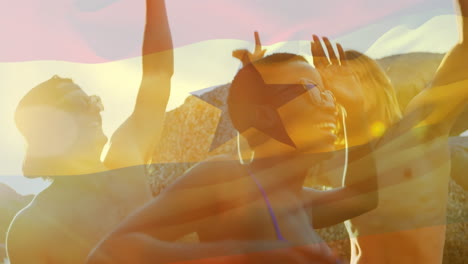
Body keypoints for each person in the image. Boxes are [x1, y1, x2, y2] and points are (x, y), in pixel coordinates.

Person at [86, 33, 381, 264]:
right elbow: (111, 253)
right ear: (265, 114)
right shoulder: (226, 179)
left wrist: (355, 110)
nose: (332, 106)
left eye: (330, 94)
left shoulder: (298, 202)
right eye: (313, 91)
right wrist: (245, 254)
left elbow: (361, 198)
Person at [6, 0, 173, 263]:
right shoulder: (31, 226)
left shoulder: (126, 158)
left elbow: (159, 74)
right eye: (78, 104)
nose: (95, 110)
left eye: (93, 101)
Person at [310, 0, 468, 262]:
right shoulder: (337, 158)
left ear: (376, 82)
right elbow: (262, 180)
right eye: (330, 85)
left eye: (351, 77)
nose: (340, 89)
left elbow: (465, 51)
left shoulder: (419, 129)